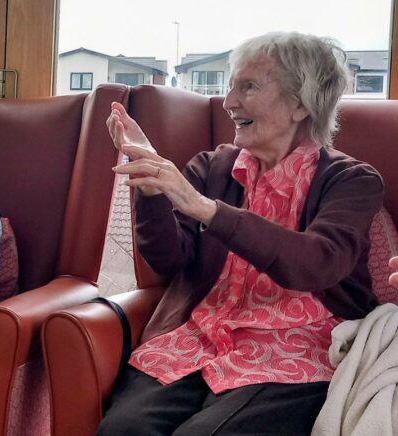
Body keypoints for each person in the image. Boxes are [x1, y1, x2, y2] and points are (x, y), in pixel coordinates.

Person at [96, 32, 384, 435]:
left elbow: (319, 263)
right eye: (231, 86)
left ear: (301, 103)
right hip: (196, 338)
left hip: (293, 348)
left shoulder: (350, 180)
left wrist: (206, 209)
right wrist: (151, 189)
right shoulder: (211, 168)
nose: (230, 102)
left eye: (248, 87)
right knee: (122, 431)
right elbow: (168, 261)